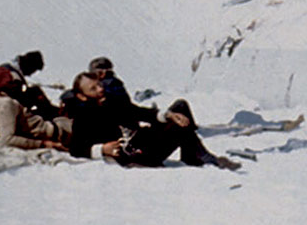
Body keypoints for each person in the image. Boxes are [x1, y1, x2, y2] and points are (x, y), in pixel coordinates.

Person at [68, 71, 239, 170]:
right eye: (93, 88)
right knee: (178, 129)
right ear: (81, 96)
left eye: (99, 84)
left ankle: (194, 156)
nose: (100, 89)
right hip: (134, 155)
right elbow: (75, 148)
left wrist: (168, 115)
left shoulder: (112, 101)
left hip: (143, 141)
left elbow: (139, 112)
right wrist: (102, 149)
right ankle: (201, 158)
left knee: (179, 110)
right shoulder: (83, 115)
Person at [0, 66, 66, 150]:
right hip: (53, 132)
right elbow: (8, 139)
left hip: (47, 130)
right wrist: (43, 144)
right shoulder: (6, 104)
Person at [1, 50, 58, 120]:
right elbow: (20, 98)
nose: (31, 74)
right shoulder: (14, 77)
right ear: (29, 65)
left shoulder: (8, 68)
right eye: (33, 70)